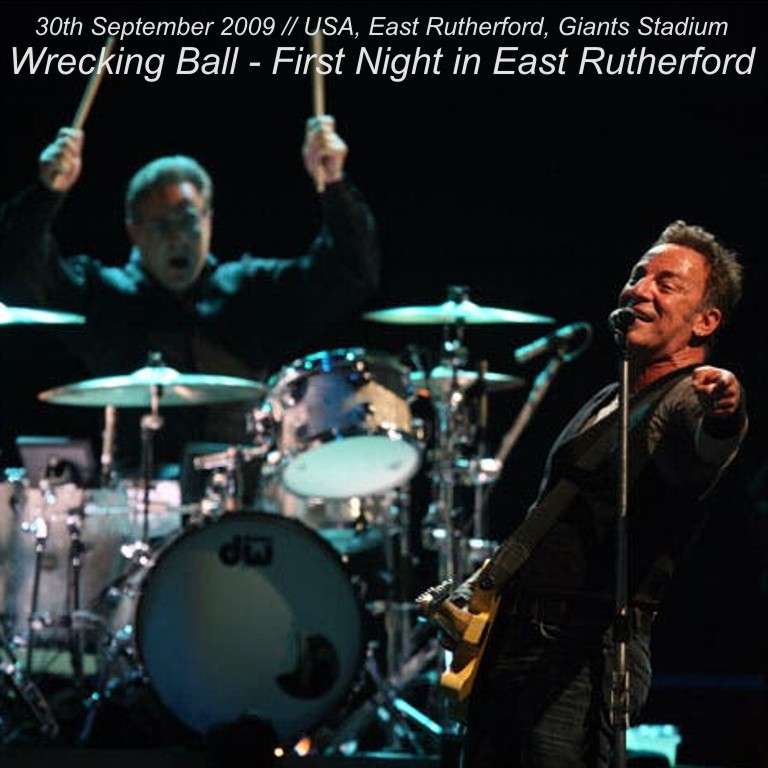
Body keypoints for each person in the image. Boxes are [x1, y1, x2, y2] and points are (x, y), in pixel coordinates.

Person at [455, 221, 747, 767]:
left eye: (666, 284)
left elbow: (709, 444)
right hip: (517, 640)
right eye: (638, 275)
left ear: (705, 321)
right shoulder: (609, 396)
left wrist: (726, 412)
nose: (640, 289)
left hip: (580, 651)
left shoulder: (687, 396)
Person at [0, 117, 380, 477]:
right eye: (161, 226)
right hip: (137, 496)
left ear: (209, 220)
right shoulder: (102, 296)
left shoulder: (251, 292)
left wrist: (334, 184)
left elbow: (350, 273)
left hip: (238, 492)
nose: (177, 238)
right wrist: (47, 192)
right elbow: (16, 272)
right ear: (134, 231)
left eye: (188, 221)